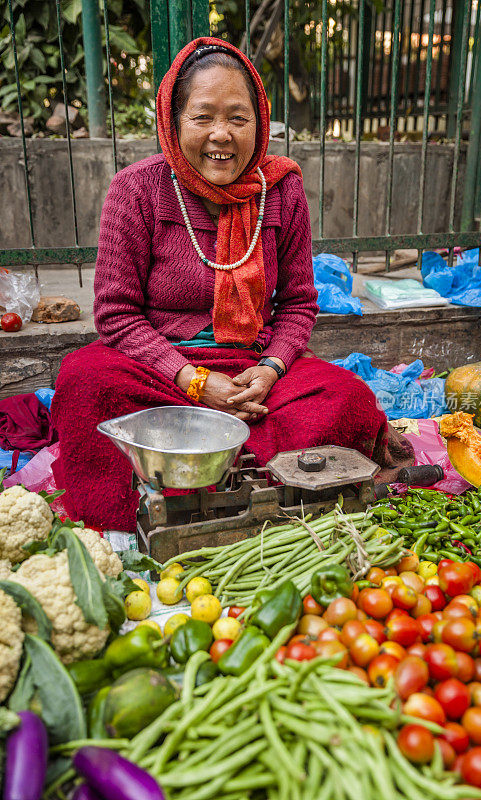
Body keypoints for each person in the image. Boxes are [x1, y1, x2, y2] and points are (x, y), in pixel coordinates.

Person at [51, 36, 413, 532]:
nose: (221, 134)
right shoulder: (136, 189)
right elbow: (116, 314)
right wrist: (194, 381)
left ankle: (234, 491)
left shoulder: (281, 191)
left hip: (250, 373)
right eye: (203, 117)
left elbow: (299, 305)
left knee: (346, 396)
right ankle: (130, 519)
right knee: (83, 381)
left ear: (259, 123)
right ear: (173, 122)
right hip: (163, 373)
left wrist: (270, 369)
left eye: (237, 118)